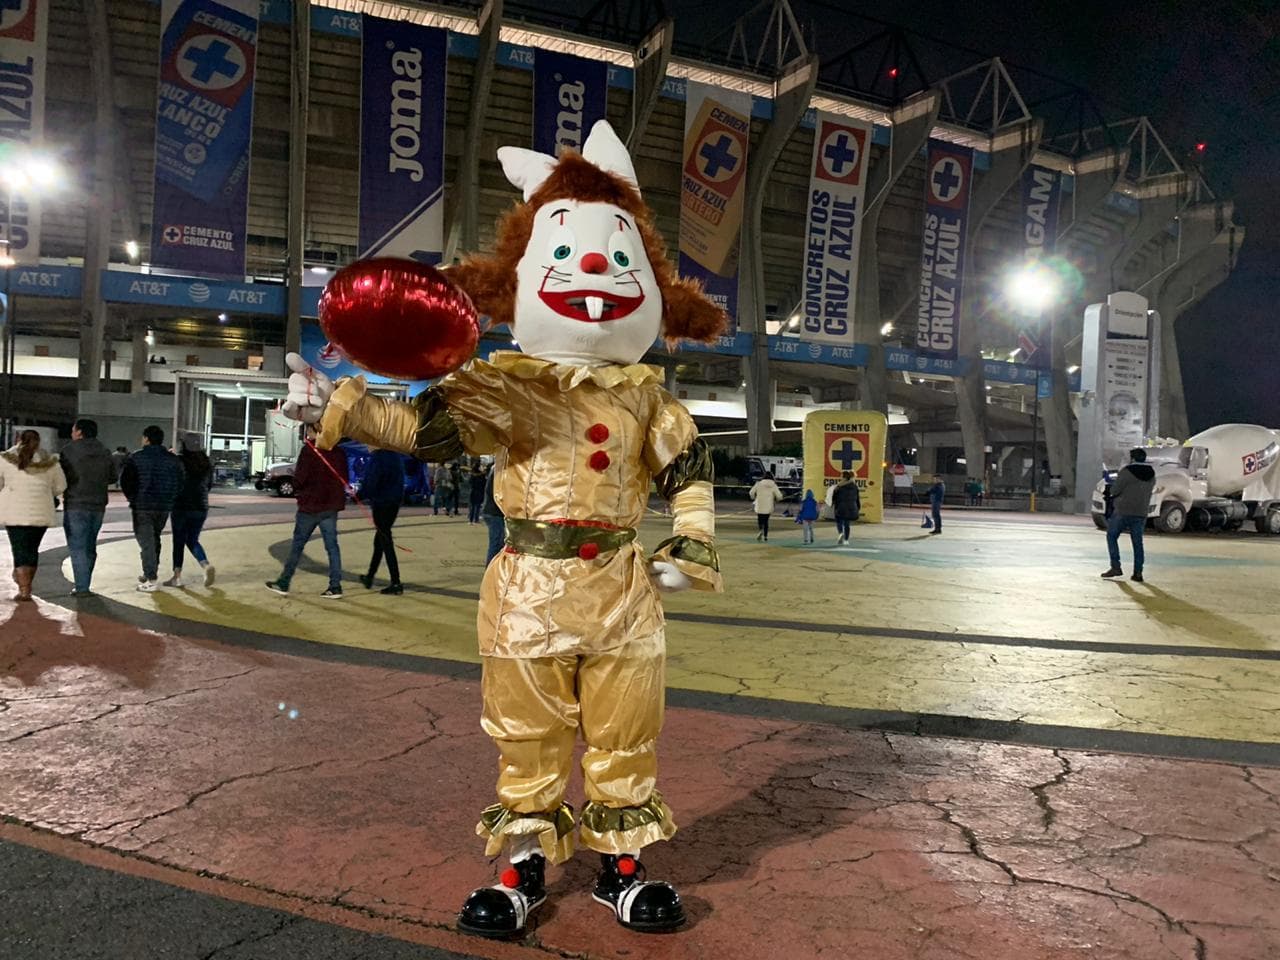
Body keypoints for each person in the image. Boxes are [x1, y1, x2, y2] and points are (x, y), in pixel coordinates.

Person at [281, 122, 725, 937]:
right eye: (568, 259)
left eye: (623, 261)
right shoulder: (508, 387)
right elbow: (432, 433)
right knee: (528, 733)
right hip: (527, 588)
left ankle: (620, 870)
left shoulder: (650, 400)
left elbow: (686, 475)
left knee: (627, 730)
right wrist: (337, 407)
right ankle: (523, 867)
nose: (595, 272)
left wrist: (685, 544)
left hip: (623, 588)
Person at [265, 428, 348, 598]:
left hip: (310, 506)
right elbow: (345, 478)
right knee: (332, 547)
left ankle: (284, 582)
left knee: (297, 546)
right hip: (330, 507)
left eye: (309, 431)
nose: (307, 434)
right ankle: (335, 586)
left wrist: (295, 485)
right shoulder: (339, 452)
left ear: (317, 432)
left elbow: (301, 478)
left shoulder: (309, 451)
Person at [0, 430, 67, 601]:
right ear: (39, 442)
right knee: (32, 549)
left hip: (14, 511)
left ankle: (23, 589)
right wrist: (45, 492)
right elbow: (61, 486)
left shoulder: (5, 459)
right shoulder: (50, 462)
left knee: (19, 549)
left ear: (18, 439)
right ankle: (26, 586)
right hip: (41, 511)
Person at [120, 425, 185, 592]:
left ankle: (150, 577)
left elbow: (126, 481)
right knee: (154, 537)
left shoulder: (136, 458)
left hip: (142, 504)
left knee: (146, 541)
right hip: (163, 505)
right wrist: (170, 498)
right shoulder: (172, 459)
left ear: (146, 439)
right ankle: (150, 570)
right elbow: (180, 481)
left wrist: (132, 498)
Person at [60, 418, 117, 596]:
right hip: (98, 504)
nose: (71, 433)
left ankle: (82, 586)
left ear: (79, 432)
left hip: (75, 503)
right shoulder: (105, 451)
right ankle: (85, 582)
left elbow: (61, 476)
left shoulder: (68, 450)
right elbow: (113, 477)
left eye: (73, 430)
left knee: (77, 546)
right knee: (90, 545)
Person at [165, 434, 215, 588]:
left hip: (181, 506)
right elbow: (209, 485)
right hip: (201, 506)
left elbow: (172, 481)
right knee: (192, 539)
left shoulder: (178, 461)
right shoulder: (206, 462)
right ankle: (205, 565)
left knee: (178, 541)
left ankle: (177, 576)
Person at [1102, 448, 1156, 582]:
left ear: (1132, 458)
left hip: (1123, 510)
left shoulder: (1127, 471)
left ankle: (1116, 566)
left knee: (1112, 536)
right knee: (1138, 543)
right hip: (1141, 512)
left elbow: (1115, 490)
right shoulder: (1151, 473)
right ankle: (1138, 572)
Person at [359, 446, 405, 595]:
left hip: (382, 503)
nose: (367, 446)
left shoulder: (378, 457)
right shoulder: (395, 456)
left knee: (385, 541)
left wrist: (358, 495)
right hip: (393, 503)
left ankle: (396, 582)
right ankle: (370, 576)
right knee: (380, 540)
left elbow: (371, 481)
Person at [481, 462, 505, 565]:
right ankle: (490, 571)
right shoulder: (498, 471)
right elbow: (494, 492)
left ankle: (492, 569)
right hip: (495, 512)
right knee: (496, 544)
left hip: (493, 512)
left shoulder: (496, 470)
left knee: (498, 543)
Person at [749, 472, 783, 542]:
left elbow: (751, 492)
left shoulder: (758, 484)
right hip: (768, 506)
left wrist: (753, 498)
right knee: (766, 521)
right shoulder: (773, 485)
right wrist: (778, 499)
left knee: (760, 519)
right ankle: (765, 536)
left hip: (759, 505)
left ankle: (760, 530)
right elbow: (779, 496)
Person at [830, 470, 862, 544]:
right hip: (852, 507)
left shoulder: (839, 486)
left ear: (843, 477)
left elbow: (834, 498)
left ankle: (841, 533)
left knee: (839, 521)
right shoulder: (854, 486)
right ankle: (846, 540)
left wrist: (832, 503)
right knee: (847, 524)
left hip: (840, 507)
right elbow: (857, 498)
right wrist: (858, 507)